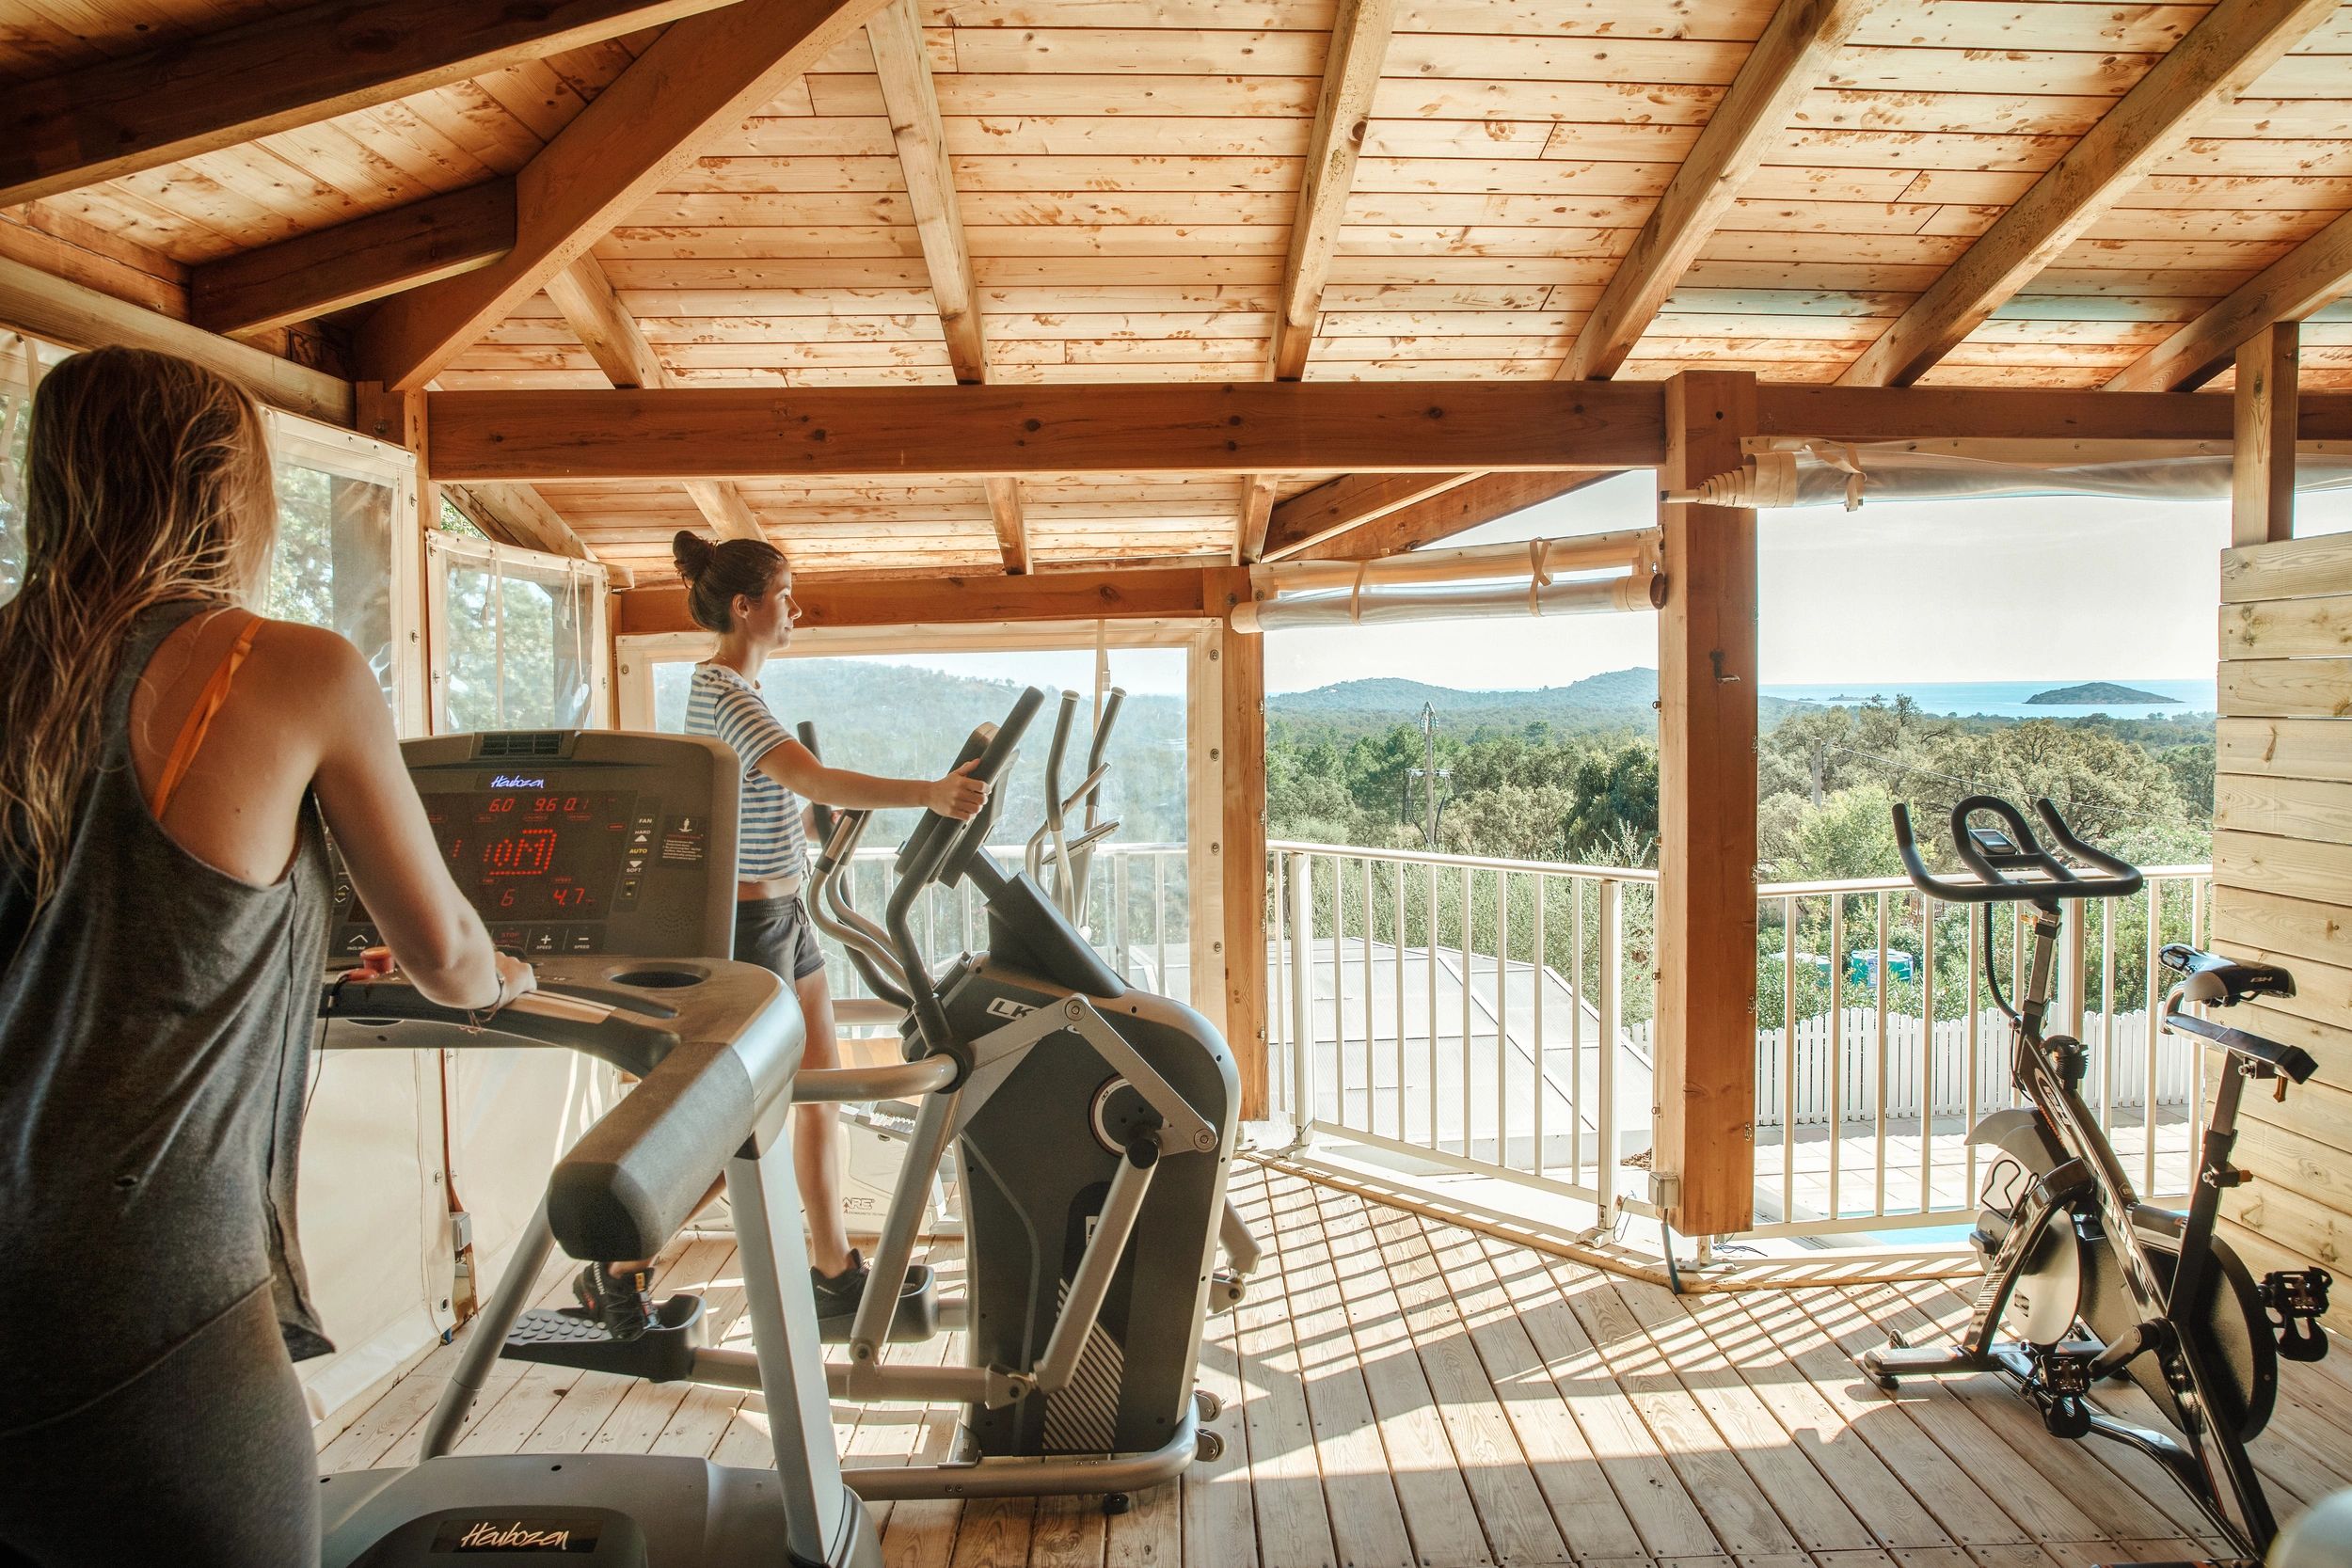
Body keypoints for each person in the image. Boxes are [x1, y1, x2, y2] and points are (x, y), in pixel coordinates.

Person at [0, 347, 534, 1565]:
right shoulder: (285, 667)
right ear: (223, 487)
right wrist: (506, 977)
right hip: (144, 1290)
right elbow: (447, 948)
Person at [572, 530, 986, 1339]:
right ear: (744, 605)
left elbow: (770, 796)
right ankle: (617, 1263)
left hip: (786, 914)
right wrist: (929, 793)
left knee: (821, 1094)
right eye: (785, 595)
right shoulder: (727, 693)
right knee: (742, 1123)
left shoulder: (732, 695)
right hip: (750, 926)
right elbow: (810, 774)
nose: (795, 608)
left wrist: (810, 828)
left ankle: (833, 1266)